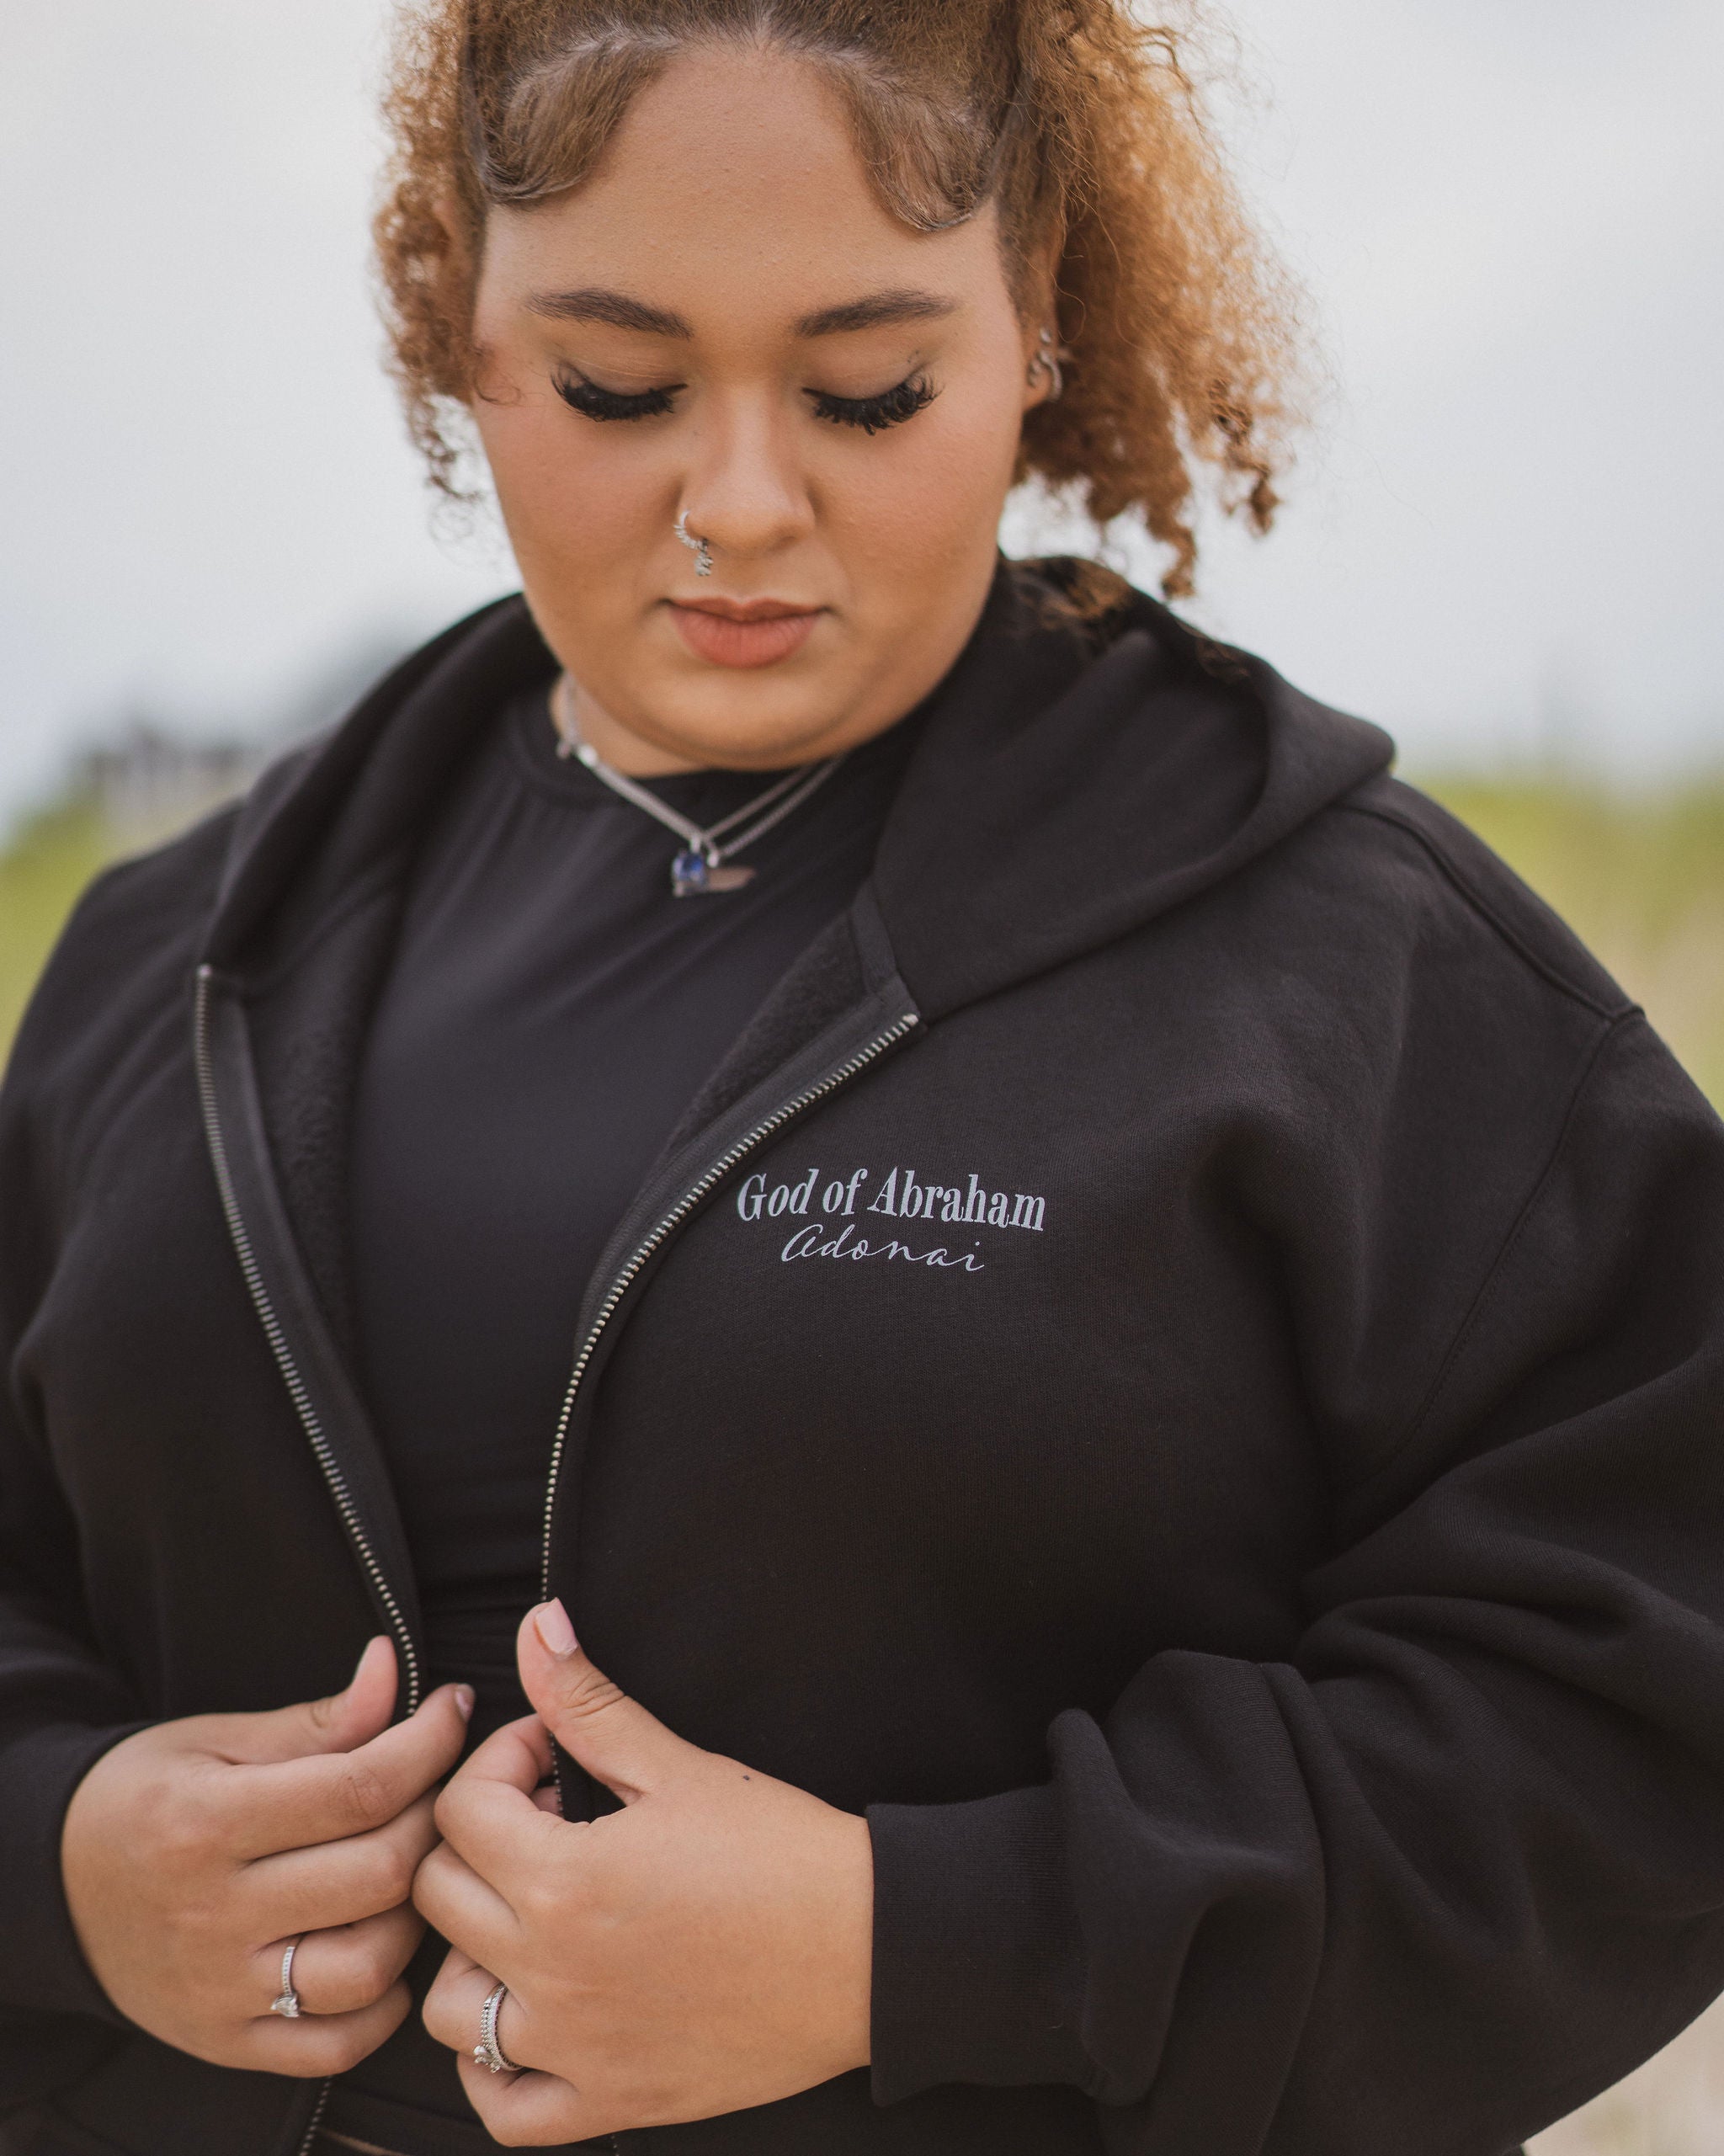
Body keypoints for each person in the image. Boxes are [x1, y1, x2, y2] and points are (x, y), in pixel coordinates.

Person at [4, 2, 1724, 2153]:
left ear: (1038, 315)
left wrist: (911, 1947)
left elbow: (1645, 1722)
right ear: (459, 316)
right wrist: (57, 1861)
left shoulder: (1358, 967)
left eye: (867, 389)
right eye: (616, 385)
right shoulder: (161, 970)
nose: (738, 504)